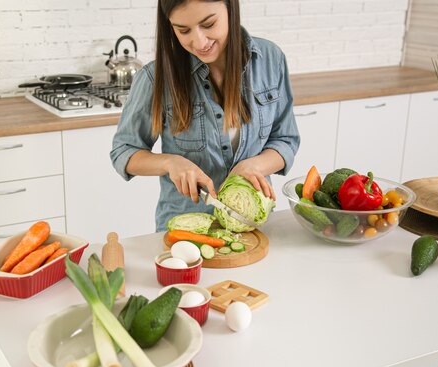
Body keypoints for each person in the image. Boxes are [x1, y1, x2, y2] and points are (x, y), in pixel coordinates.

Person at [110, 0, 300, 232]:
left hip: (255, 226)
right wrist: (170, 163)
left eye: (208, 24)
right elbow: (123, 152)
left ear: (231, 8)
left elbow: (286, 140)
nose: (199, 42)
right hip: (187, 229)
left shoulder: (270, 59)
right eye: (183, 30)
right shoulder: (155, 77)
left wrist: (255, 165)